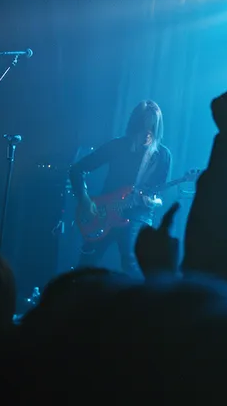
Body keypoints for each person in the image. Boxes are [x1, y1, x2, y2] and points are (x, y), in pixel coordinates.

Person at [69, 100, 172, 275]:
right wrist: (85, 200)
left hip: (137, 215)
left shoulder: (162, 156)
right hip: (103, 212)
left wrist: (150, 201)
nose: (148, 133)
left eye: (153, 128)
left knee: (132, 265)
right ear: (134, 126)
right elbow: (77, 169)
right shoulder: (117, 146)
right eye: (144, 127)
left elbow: (160, 197)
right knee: (84, 268)